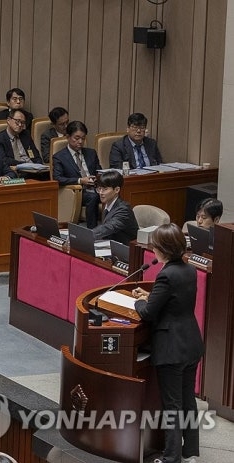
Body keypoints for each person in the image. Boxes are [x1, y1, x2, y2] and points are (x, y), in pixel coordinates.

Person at [132, 223, 203, 463]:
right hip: (191, 343)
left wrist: (138, 303)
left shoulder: (165, 274)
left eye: (155, 246)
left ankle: (171, 457)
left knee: (172, 404)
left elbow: (149, 313)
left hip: (171, 347)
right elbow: (174, 302)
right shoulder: (189, 270)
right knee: (187, 401)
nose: (152, 250)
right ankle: (190, 452)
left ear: (163, 249)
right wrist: (150, 296)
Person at [52, 121, 102, 228]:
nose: (80, 141)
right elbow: (58, 178)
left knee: (115, 193)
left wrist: (97, 179)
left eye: (83, 138)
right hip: (77, 191)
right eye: (77, 138)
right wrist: (80, 180)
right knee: (92, 197)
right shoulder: (59, 157)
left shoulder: (91, 153)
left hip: (96, 187)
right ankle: (92, 231)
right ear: (68, 137)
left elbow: (99, 171)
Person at [91, 171, 138, 245]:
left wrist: (87, 235)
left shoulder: (124, 209)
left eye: (105, 189)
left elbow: (108, 228)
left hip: (125, 250)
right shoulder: (107, 205)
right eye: (99, 189)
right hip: (111, 244)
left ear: (117, 190)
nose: (101, 192)